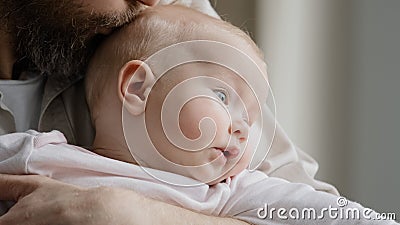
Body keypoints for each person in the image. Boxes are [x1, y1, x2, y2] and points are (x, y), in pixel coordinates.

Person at [1, 5, 397, 225]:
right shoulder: (43, 155)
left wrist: (130, 215)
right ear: (137, 88)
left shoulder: (229, 192)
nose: (243, 127)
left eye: (252, 115)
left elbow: (336, 218)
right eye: (223, 95)